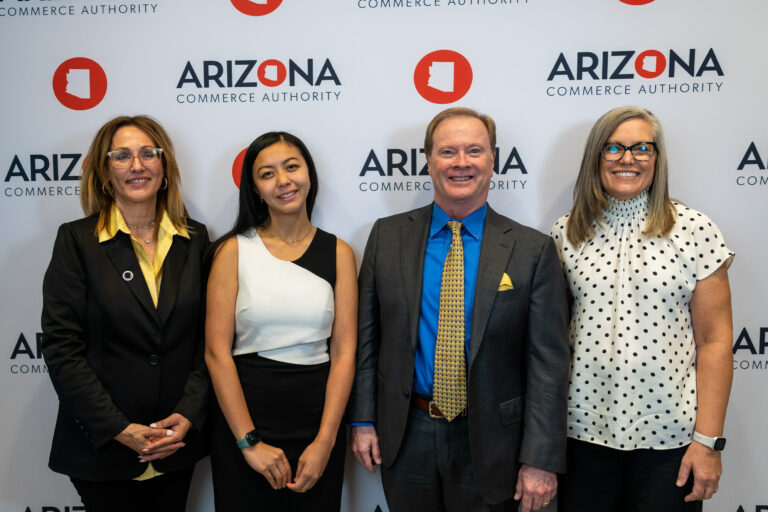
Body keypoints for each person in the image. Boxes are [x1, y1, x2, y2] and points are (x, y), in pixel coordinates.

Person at [349, 107, 570, 512]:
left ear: (493, 161)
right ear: (429, 162)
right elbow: (367, 339)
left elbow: (549, 364)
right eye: (448, 152)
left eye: (474, 151)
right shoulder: (387, 236)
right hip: (406, 433)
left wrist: (540, 456)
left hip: (494, 441)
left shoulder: (532, 250)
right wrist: (363, 421)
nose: (462, 163)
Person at [550, 106, 734, 512]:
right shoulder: (565, 234)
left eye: (641, 148)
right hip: (582, 438)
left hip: (670, 443)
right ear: (596, 157)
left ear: (657, 157)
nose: (627, 159)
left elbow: (716, 341)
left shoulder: (695, 230)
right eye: (613, 147)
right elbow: (549, 343)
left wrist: (708, 443)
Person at [41, 115, 210, 512]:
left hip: (176, 446)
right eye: (122, 156)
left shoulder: (197, 239)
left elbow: (209, 340)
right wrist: (118, 428)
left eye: (148, 153)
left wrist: (188, 414)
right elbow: (62, 348)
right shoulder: (76, 241)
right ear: (104, 172)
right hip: (102, 451)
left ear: (164, 166)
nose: (138, 165)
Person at [205, 132, 357, 511]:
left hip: (316, 422)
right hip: (246, 422)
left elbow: (343, 353)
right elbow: (216, 353)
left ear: (309, 173)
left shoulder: (339, 252)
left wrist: (325, 442)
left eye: (292, 167)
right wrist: (248, 443)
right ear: (255, 188)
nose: (284, 181)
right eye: (267, 174)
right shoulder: (232, 251)